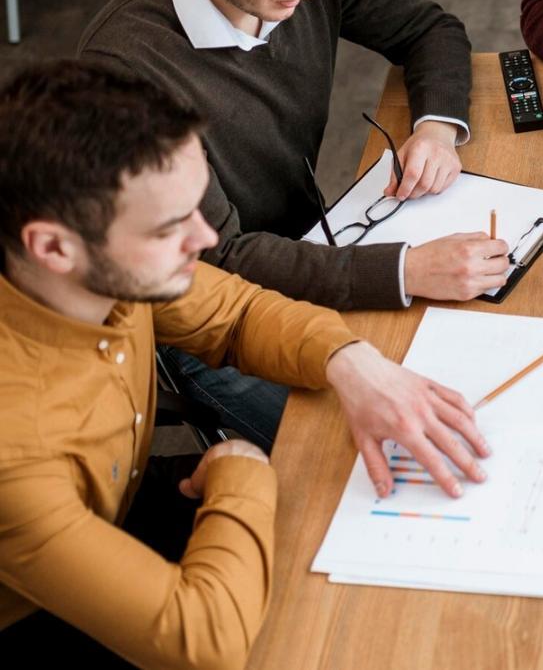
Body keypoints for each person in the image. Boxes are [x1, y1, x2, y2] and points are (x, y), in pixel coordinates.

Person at [0, 60, 490, 668]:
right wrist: (241, 463)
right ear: (52, 247)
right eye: (170, 227)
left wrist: (353, 360)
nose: (206, 239)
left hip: (117, 490)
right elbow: (205, 641)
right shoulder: (13, 453)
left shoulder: (92, 271)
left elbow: (236, 312)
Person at [78, 0, 511, 448]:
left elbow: (429, 29)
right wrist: (404, 270)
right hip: (210, 321)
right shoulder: (124, 74)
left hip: (315, 251)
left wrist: (437, 129)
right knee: (383, 452)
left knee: (471, 395)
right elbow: (218, 260)